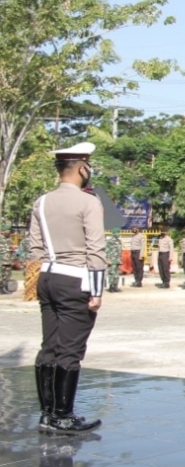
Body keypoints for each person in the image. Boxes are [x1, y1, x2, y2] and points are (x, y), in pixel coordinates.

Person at [28, 141, 106, 434]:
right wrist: (97, 291)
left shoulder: (42, 201)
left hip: (47, 277)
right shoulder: (88, 202)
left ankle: (47, 414)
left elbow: (35, 247)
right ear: (82, 168)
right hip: (76, 278)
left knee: (49, 346)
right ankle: (63, 414)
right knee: (71, 349)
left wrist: (34, 283)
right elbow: (95, 250)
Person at [0, 220, 13, 294]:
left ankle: (4, 287)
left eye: (9, 230)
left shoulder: (9, 239)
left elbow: (11, 249)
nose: (9, 231)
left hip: (8, 260)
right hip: (1, 260)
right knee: (1, 275)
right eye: (7, 230)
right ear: (2, 231)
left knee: (7, 275)